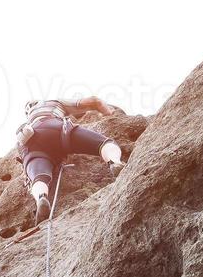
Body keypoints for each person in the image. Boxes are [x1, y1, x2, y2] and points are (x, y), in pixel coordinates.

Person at [15, 96, 126, 224]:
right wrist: (109, 113)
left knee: (38, 178)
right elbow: (94, 101)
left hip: (30, 142)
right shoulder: (53, 102)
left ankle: (41, 198)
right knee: (104, 144)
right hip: (53, 127)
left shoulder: (29, 120)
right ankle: (114, 163)